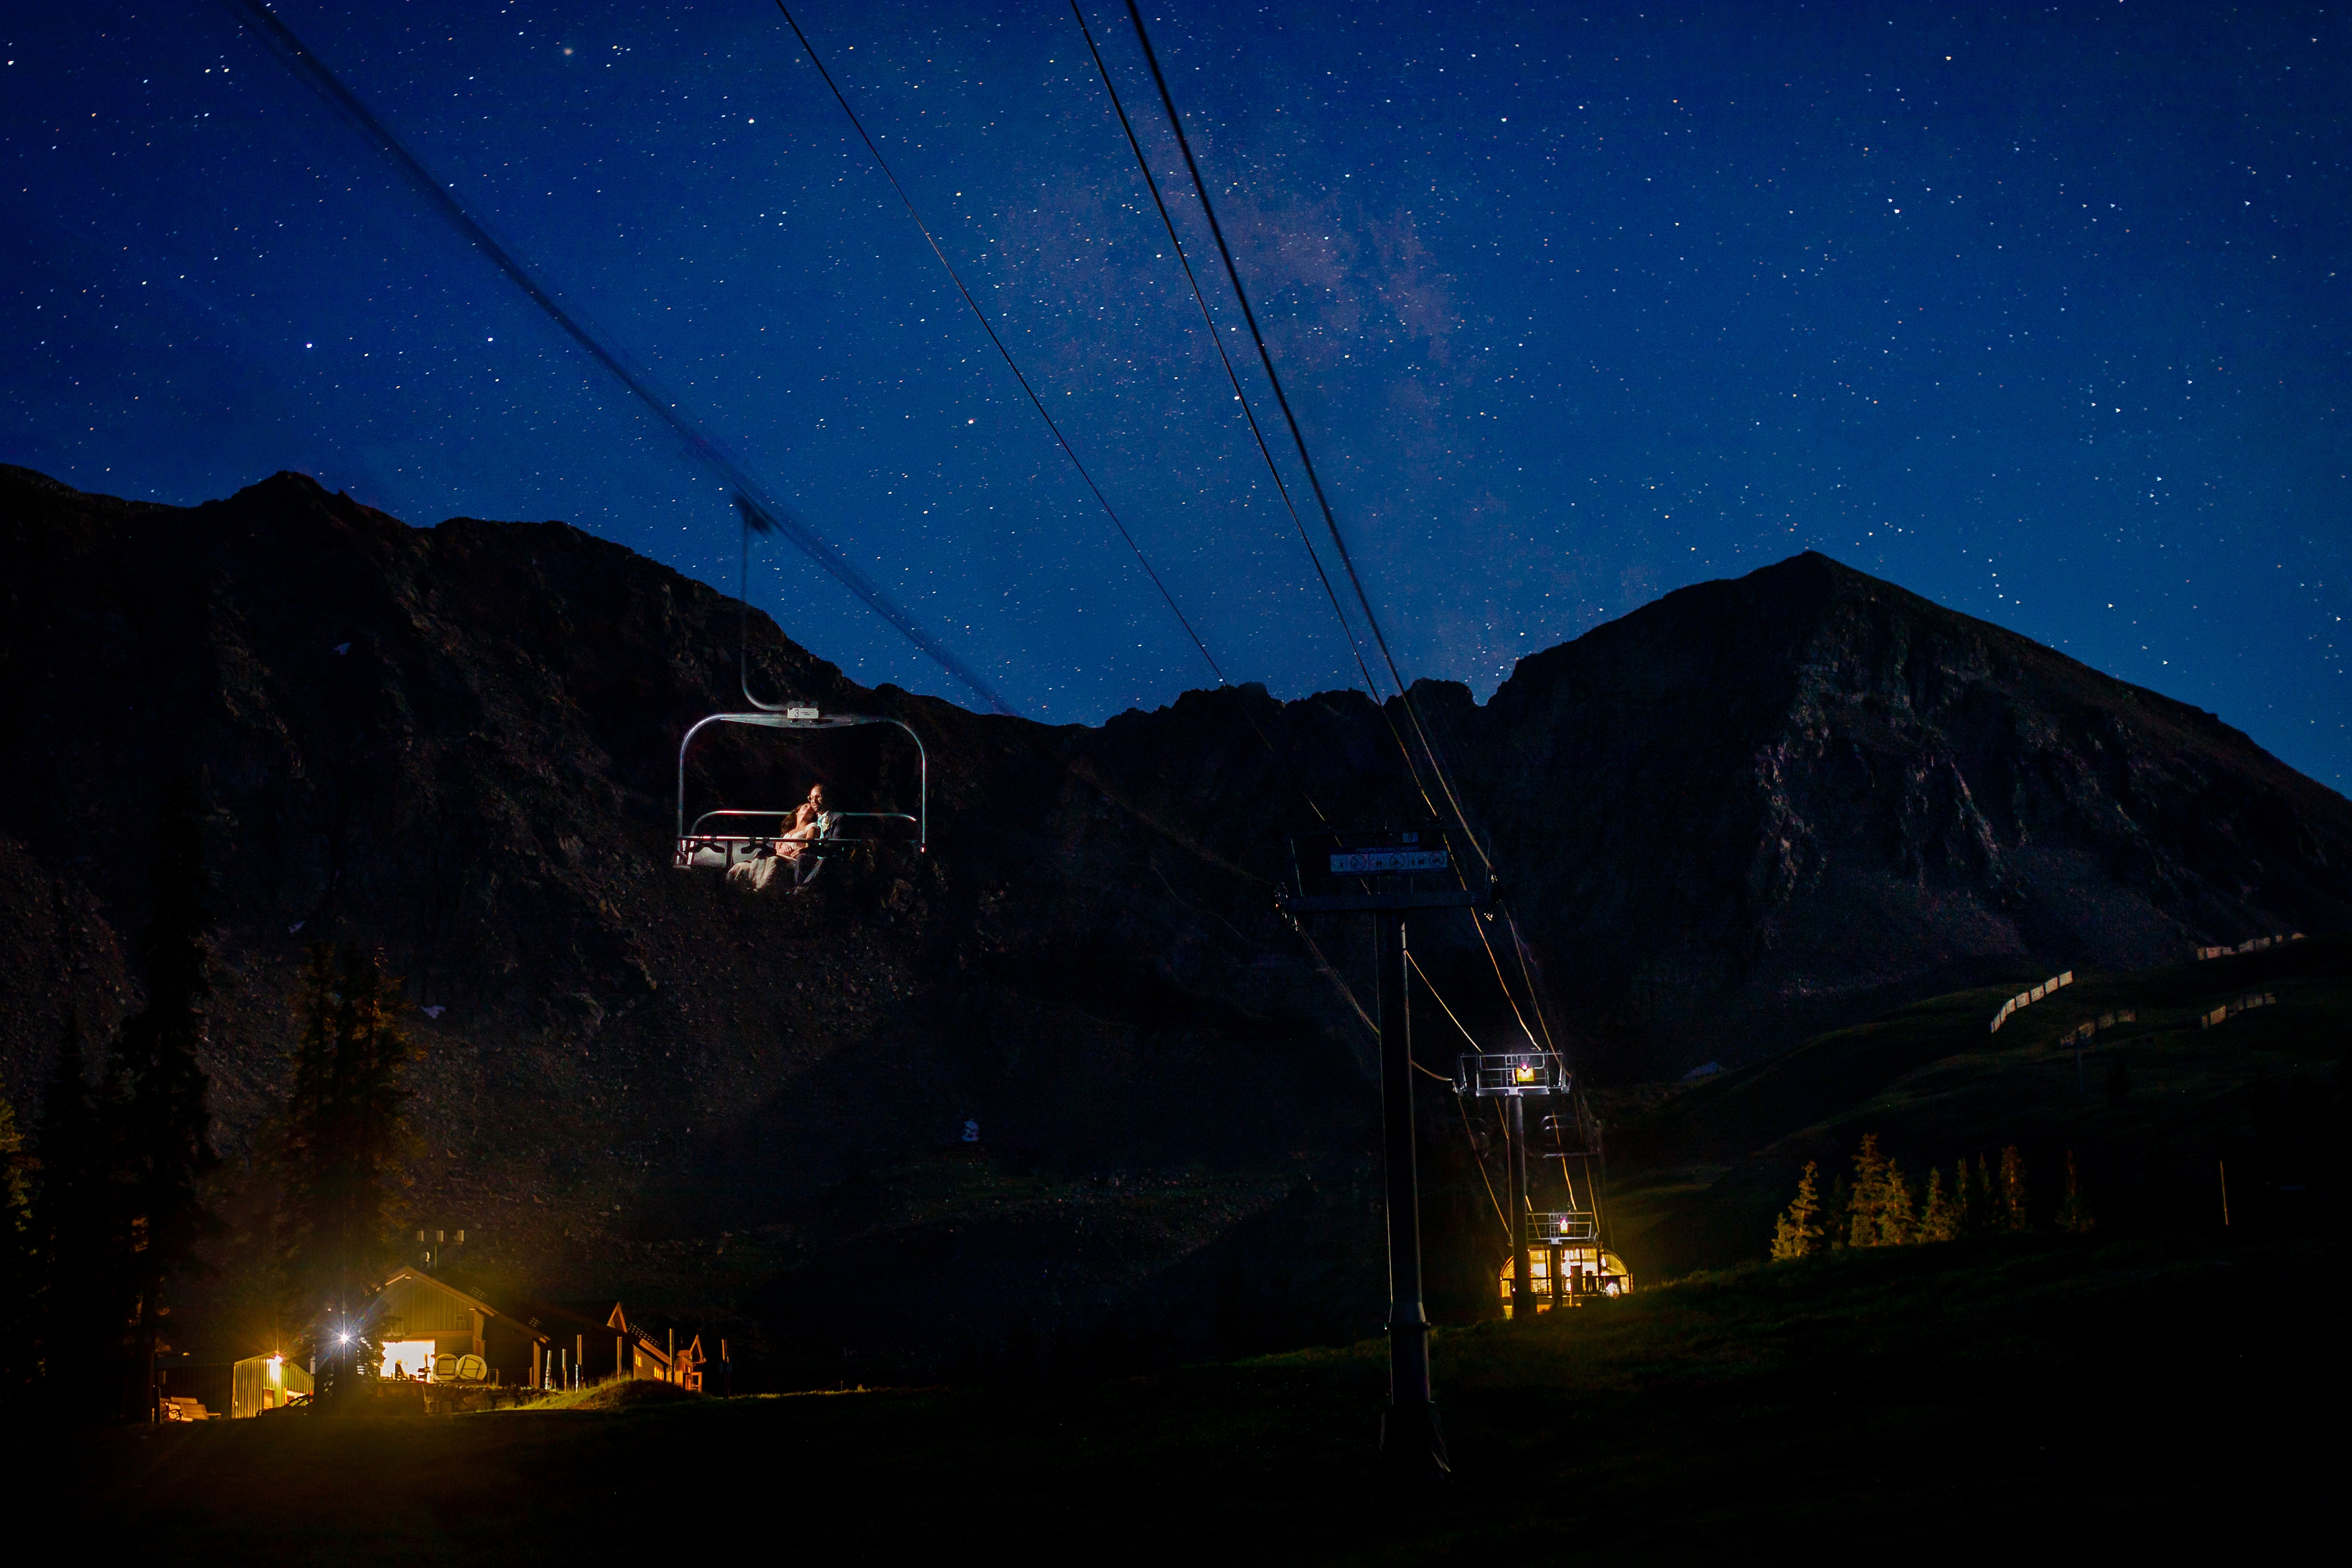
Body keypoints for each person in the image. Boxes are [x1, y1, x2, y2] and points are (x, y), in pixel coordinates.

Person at [728, 784, 829, 891]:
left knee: (773, 860)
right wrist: (782, 844)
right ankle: (732, 889)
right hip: (776, 854)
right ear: (797, 813)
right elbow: (777, 844)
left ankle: (760, 889)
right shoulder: (788, 830)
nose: (809, 808)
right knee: (742, 866)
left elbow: (810, 844)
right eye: (805, 807)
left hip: (789, 859)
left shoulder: (811, 826)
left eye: (810, 809)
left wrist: (800, 850)